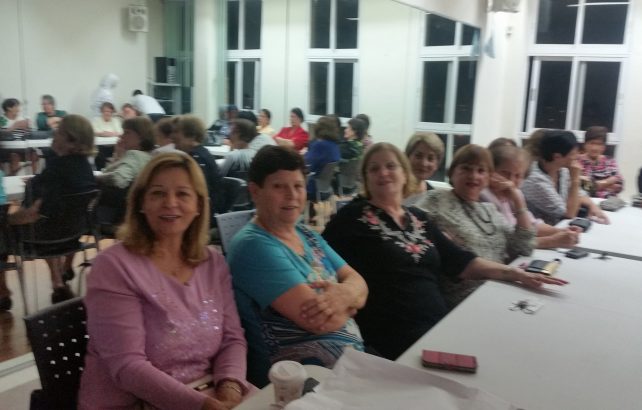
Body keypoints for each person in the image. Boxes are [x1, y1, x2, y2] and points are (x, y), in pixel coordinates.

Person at [322, 143, 566, 360]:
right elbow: (317, 255)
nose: (383, 173)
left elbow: (462, 261)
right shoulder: (352, 217)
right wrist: (342, 294)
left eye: (390, 166)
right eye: (374, 169)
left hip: (439, 324)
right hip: (391, 334)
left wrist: (516, 274)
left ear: (404, 173)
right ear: (366, 178)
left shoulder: (419, 218)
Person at [78, 153, 251, 410]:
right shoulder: (113, 267)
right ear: (141, 202)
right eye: (158, 193)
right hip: (133, 403)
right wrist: (203, 406)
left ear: (199, 205)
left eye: (182, 194)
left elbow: (232, 338)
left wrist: (230, 388)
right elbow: (128, 367)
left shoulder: (212, 263)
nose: (170, 203)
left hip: (208, 393)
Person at [227, 145, 368, 387]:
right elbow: (321, 322)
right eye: (279, 186)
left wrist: (345, 295)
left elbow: (359, 282)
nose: (292, 195)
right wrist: (351, 300)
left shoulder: (306, 233)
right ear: (255, 191)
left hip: (345, 371)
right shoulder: (252, 245)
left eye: (298, 186)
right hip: (295, 383)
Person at [415, 144, 536, 306]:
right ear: (452, 172)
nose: (473, 176)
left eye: (481, 171)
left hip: (501, 289)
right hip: (464, 299)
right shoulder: (435, 199)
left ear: (489, 177)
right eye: (466, 168)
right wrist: (434, 241)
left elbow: (524, 248)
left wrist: (518, 200)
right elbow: (409, 230)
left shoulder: (490, 210)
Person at [5, 115, 97, 304]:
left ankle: (2, 292)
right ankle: (57, 280)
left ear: (72, 141)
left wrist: (7, 219)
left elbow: (32, 214)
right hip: (72, 236)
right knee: (52, 220)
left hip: (42, 237)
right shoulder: (86, 169)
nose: (54, 134)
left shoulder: (56, 170)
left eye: (59, 132)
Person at [482, 144, 581, 250]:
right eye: (505, 173)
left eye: (518, 176)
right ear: (491, 171)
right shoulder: (484, 197)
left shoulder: (514, 193)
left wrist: (562, 232)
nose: (511, 180)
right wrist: (553, 241)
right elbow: (509, 242)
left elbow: (532, 224)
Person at [521, 130, 609, 226]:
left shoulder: (562, 170)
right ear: (557, 157)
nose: (577, 157)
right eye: (573, 153)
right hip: (544, 230)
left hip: (561, 227)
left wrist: (593, 206)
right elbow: (569, 214)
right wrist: (575, 179)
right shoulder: (535, 180)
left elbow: (580, 193)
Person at [172, 115, 226, 216]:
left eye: (176, 132)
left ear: (191, 136)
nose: (172, 136)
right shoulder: (200, 154)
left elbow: (200, 192)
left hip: (205, 214)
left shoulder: (198, 159)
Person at [97, 116, 154, 189]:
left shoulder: (135, 155)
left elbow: (118, 179)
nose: (121, 136)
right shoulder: (148, 155)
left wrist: (94, 178)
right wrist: (118, 156)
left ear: (141, 137)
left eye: (127, 132)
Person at [578, 126, 623, 198]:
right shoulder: (577, 160)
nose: (594, 148)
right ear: (585, 144)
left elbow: (619, 186)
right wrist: (608, 182)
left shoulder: (610, 161)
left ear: (604, 146)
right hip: (586, 202)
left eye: (599, 144)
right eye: (591, 143)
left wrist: (595, 185)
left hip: (609, 202)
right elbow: (582, 186)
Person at [403, 131, 445, 205]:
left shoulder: (434, 198)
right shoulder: (392, 188)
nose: (424, 163)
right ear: (407, 156)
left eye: (430, 158)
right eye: (418, 156)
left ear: (437, 165)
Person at [305, 116, 340, 200]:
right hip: (325, 187)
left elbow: (308, 166)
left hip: (313, 188)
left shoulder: (319, 145)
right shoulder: (335, 146)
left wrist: (305, 154)